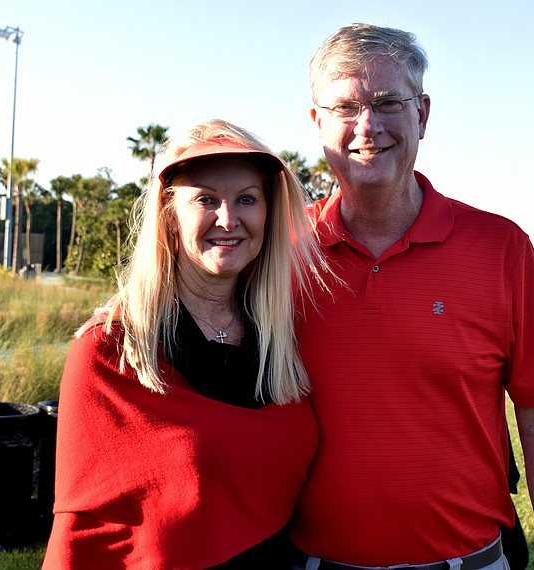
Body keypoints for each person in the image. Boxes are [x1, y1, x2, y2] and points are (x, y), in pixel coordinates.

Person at [290, 23, 534, 570]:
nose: (367, 125)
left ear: (422, 114)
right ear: (317, 122)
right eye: (346, 107)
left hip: (469, 562)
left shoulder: (500, 247)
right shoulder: (280, 253)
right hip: (309, 562)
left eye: (387, 102)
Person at [42, 119, 331, 569]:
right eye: (205, 200)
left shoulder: (283, 339)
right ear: (169, 216)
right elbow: (85, 535)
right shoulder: (112, 351)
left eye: (247, 199)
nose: (229, 219)